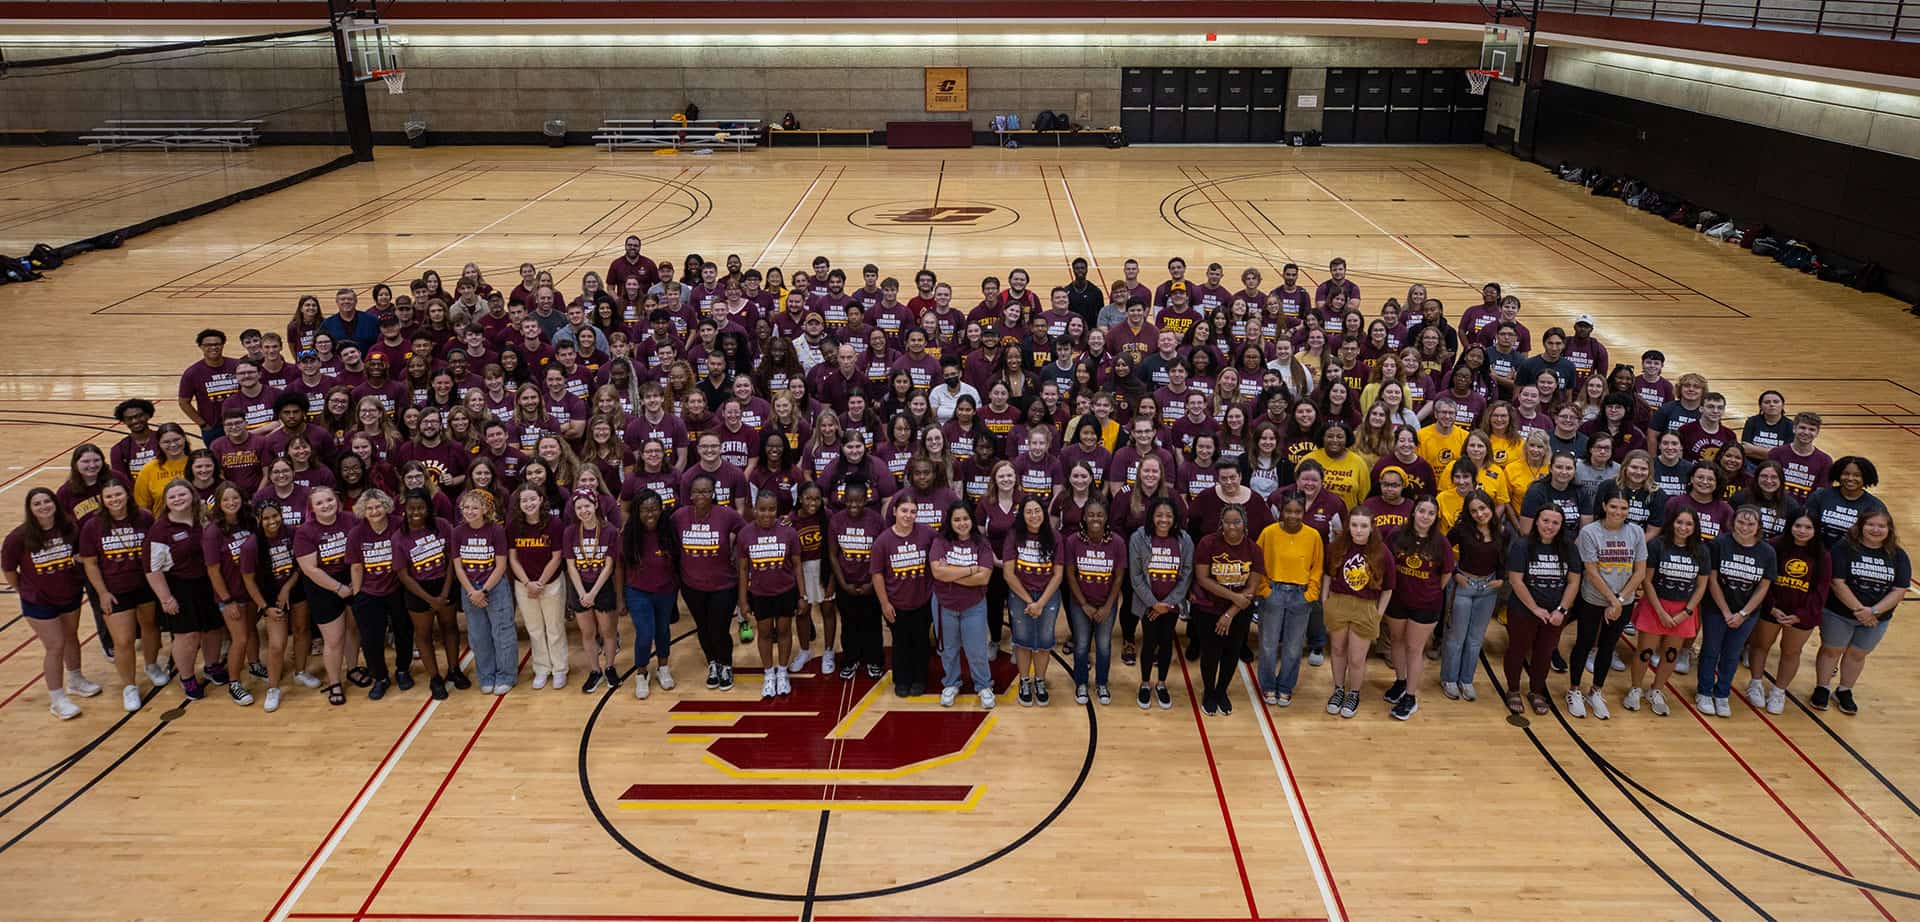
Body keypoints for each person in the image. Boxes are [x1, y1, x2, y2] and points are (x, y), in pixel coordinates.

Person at [3, 488, 96, 719]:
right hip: (39, 601)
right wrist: (24, 590)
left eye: (47, 501)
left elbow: (79, 555)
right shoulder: (19, 537)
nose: (43, 506)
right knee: (55, 646)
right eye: (37, 503)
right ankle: (57, 699)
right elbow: (9, 569)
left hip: (69, 594)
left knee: (72, 636)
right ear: (30, 509)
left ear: (55, 504)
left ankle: (75, 679)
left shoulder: (69, 529)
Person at [78, 480, 169, 709]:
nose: (114, 500)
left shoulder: (145, 517)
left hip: (145, 585)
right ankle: (129, 686)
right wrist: (102, 592)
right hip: (115, 590)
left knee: (150, 628)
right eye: (109, 497)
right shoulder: (93, 526)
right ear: (102, 500)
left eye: (118, 494)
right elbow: (89, 563)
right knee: (124, 640)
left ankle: (151, 665)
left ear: (127, 495)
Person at [1811, 509, 1909, 715]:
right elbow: (1837, 583)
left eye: (1881, 526)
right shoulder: (1844, 549)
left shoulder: (1898, 555)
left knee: (1857, 654)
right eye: (1871, 525)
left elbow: (1899, 589)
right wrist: (1859, 610)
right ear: (1860, 526)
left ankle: (1845, 690)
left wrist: (1873, 611)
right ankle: (1822, 687)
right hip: (1839, 613)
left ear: (1889, 529)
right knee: (1831, 650)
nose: (1876, 530)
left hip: (1877, 618)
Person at [1568, 493, 1648, 719]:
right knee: (1584, 643)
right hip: (1593, 599)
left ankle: (1596, 691)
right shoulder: (1589, 532)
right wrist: (1612, 601)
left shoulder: (1636, 532)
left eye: (1624, 508)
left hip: (1624, 602)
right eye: (1613, 506)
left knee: (1608, 646)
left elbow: (1640, 570)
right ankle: (1574, 690)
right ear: (1604, 505)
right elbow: (1591, 572)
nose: (1618, 512)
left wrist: (1620, 599)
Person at [1623, 507, 1710, 716]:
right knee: (1645, 651)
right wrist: (1660, 611)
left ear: (1695, 527)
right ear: (1672, 523)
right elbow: (1647, 580)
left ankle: (1656, 690)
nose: (1683, 527)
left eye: (1689, 524)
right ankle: (1635, 689)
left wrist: (1686, 612)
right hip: (1655, 606)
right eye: (1679, 522)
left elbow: (1701, 586)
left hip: (1682, 610)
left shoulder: (1701, 550)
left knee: (1671, 654)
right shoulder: (1657, 545)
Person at [1744, 510, 1826, 714]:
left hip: (1801, 615)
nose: (1802, 531)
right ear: (1790, 526)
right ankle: (1755, 683)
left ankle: (1779, 691)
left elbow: (1821, 589)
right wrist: (1771, 606)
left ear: (1816, 530)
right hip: (1772, 609)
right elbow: (1764, 580)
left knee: (1791, 652)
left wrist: (1802, 614)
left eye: (1808, 527)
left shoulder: (1822, 555)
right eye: (1798, 526)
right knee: (1760, 645)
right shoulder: (1774, 546)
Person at [1502, 505, 1581, 716]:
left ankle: (1536, 691)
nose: (1550, 526)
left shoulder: (1568, 547)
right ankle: (1513, 690)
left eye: (1555, 522)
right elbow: (1516, 581)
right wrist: (1535, 609)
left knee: (1545, 653)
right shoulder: (1522, 545)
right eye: (1545, 521)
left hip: (1555, 613)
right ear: (1537, 521)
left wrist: (1562, 610)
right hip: (1524, 611)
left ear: (1561, 525)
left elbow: (1574, 582)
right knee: (1517, 650)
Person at [1697, 506, 1776, 717]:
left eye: (1751, 524)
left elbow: (1763, 587)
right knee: (1710, 651)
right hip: (1716, 609)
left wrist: (1743, 614)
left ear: (1759, 526)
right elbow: (1712, 579)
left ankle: (1722, 694)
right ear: (1733, 522)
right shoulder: (1719, 544)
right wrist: (1725, 611)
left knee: (1731, 655)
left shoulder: (1767, 552)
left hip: (1747, 613)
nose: (1745, 527)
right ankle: (1704, 692)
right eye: (1741, 522)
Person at [673, 473, 748, 691]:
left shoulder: (726, 515)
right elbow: (669, 539)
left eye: (706, 491)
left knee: (719, 628)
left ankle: (726, 665)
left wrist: (736, 552)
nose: (701, 495)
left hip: (723, 585)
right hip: (691, 585)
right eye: (697, 491)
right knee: (703, 627)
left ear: (713, 493)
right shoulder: (679, 516)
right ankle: (712, 663)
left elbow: (746, 533)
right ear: (690, 494)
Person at [1321, 509, 1395, 719]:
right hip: (1338, 603)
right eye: (1354, 525)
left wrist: (1378, 614)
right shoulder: (1337, 547)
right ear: (1348, 526)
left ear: (1372, 528)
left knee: (1356, 657)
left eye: (1363, 526)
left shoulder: (1382, 552)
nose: (1358, 530)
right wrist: (1325, 600)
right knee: (1337, 650)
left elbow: (1388, 588)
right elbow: (1327, 574)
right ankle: (1338, 689)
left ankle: (1353, 693)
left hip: (1366, 606)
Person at [1192, 504, 1264, 716]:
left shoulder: (1253, 549)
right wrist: (1233, 597)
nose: (1232, 526)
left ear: (1244, 524)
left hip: (1239, 611)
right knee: (1211, 652)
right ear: (1221, 523)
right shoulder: (1207, 543)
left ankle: (1222, 691)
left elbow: (1253, 586)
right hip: (1209, 608)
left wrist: (1230, 613)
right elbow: (1203, 579)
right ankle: (1209, 692)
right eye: (1227, 522)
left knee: (1232, 653)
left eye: (1237, 522)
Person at [1384, 497, 1452, 720]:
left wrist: (1428, 591)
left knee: (1414, 648)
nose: (1425, 516)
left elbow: (1446, 574)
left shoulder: (1441, 543)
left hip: (1426, 604)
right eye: (1421, 511)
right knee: (1397, 641)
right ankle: (1400, 682)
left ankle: (1410, 697)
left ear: (1435, 517)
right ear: (1413, 512)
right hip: (1398, 600)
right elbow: (1386, 563)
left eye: (1430, 513)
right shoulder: (1396, 535)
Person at [1253, 495, 1322, 708]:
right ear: (1281, 511)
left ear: (1304, 512)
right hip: (1273, 592)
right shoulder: (1269, 533)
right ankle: (1267, 685)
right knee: (1268, 644)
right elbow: (1258, 561)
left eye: (1297, 512)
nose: (1293, 516)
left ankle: (1285, 686)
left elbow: (1317, 567)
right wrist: (1264, 589)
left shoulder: (1313, 535)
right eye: (1288, 511)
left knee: (1293, 647)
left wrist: (1310, 594)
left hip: (1300, 595)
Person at [345, 489, 415, 700]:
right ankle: (380, 677)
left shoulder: (398, 525)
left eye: (378, 506)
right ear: (362, 511)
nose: (374, 511)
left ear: (386, 506)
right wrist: (357, 596)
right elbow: (356, 567)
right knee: (371, 639)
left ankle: (403, 670)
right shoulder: (356, 533)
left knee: (403, 631)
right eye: (369, 508)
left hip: (398, 588)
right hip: (369, 592)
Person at [395, 490, 463, 700]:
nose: (416, 512)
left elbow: (452, 559)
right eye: (411, 508)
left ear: (429, 508)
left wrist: (444, 592)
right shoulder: (399, 537)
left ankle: (454, 670)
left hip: (444, 584)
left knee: (450, 627)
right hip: (418, 591)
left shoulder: (442, 525)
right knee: (423, 635)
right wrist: (429, 599)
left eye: (421, 508)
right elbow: (403, 575)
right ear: (404, 510)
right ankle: (434, 678)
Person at [294, 486, 359, 705]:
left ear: (337, 500)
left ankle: (353, 668)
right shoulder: (305, 532)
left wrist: (354, 582)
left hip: (350, 580)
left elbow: (360, 551)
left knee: (352, 629)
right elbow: (310, 569)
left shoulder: (351, 520)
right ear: (312, 508)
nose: (326, 505)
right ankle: (334, 683)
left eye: (329, 500)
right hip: (323, 587)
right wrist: (339, 588)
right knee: (333, 639)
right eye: (320, 503)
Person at [1439, 491, 1505, 702]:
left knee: (1475, 639)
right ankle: (1449, 678)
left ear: (1491, 508)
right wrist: (1455, 574)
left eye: (1483, 508)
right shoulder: (1461, 530)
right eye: (1474, 510)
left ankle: (1466, 679)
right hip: (1464, 585)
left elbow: (1504, 559)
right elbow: (1443, 551)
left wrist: (1502, 579)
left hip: (1488, 588)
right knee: (1456, 637)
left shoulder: (1501, 531)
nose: (1479, 513)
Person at [1128, 497, 1191, 711]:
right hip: (1147, 604)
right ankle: (1145, 683)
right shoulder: (1139, 538)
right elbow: (1136, 577)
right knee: (1148, 642)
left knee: (1166, 642)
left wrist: (1168, 604)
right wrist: (1154, 604)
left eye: (1168, 516)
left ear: (1175, 519)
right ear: (1151, 517)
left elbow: (1186, 575)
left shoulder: (1185, 540)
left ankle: (1161, 684)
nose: (1164, 520)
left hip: (1171, 606)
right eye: (1159, 515)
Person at [738, 491, 803, 698]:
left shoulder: (789, 533)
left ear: (777, 510)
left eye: (771, 509)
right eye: (762, 509)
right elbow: (742, 570)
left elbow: (797, 566)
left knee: (784, 631)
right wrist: (742, 600)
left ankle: (782, 672)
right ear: (755, 509)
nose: (767, 514)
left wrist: (803, 595)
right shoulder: (745, 534)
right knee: (764, 633)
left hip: (785, 591)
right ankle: (768, 674)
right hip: (759, 593)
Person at [452, 490, 517, 695]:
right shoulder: (457, 532)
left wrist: (484, 590)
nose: (470, 511)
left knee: (502, 633)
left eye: (475, 507)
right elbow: (458, 567)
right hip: (470, 588)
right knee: (478, 635)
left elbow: (501, 565)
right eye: (466, 507)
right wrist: (472, 591)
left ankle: (506, 675)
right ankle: (486, 675)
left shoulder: (496, 530)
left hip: (494, 586)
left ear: (485, 510)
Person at [872, 497, 937, 698]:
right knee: (900, 643)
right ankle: (901, 679)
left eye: (913, 511)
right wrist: (884, 603)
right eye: (904, 511)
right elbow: (877, 573)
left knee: (921, 641)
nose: (908, 515)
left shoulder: (927, 533)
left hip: (923, 601)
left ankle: (919, 678)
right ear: (894, 512)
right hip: (896, 603)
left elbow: (938, 557)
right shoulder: (883, 540)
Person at [1063, 499, 1126, 706]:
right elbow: (1071, 576)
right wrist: (1084, 605)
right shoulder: (1073, 541)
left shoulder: (1117, 542)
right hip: (1081, 604)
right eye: (1091, 514)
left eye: (1099, 514)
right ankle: (1081, 682)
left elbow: (1118, 578)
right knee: (1081, 646)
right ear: (1084, 517)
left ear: (1106, 517)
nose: (1095, 518)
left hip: (1106, 603)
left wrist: (1108, 606)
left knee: (1103, 646)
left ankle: (1101, 683)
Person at [1003, 497, 1064, 706]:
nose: (1034, 516)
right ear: (1022, 515)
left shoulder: (1054, 536)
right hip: (1021, 595)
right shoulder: (1014, 536)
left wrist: (1041, 603)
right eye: (1028, 512)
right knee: (1022, 640)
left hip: (1048, 595)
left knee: (1044, 641)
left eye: (1037, 511)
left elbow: (1058, 575)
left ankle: (1040, 680)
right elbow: (1009, 574)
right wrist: (1031, 601)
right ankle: (1024, 680)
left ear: (1044, 513)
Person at [508, 484, 568, 689]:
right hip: (524, 585)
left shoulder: (554, 523)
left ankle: (559, 669)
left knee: (554, 627)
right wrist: (527, 583)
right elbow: (513, 559)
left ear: (541, 499)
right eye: (524, 500)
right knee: (534, 629)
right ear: (519, 504)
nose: (529, 503)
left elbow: (556, 556)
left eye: (532, 499)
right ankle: (542, 668)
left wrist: (541, 582)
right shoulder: (514, 525)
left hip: (550, 583)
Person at [619, 489, 678, 698]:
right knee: (644, 634)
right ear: (637, 511)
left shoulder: (669, 530)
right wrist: (620, 599)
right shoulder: (629, 533)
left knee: (662, 630)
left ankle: (663, 667)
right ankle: (641, 673)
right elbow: (620, 568)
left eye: (654, 509)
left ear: (661, 510)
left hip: (666, 591)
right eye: (645, 510)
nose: (650, 514)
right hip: (638, 592)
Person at [828, 480, 889, 680]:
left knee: (872, 624)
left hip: (871, 583)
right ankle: (850, 659)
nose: (853, 506)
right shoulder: (836, 521)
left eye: (858, 502)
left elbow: (882, 556)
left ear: (866, 500)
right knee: (849, 624)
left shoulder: (877, 521)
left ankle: (874, 660)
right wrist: (843, 584)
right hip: (847, 583)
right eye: (849, 502)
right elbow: (833, 555)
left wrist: (873, 583)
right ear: (843, 500)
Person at [566, 492, 623, 694]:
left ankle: (609, 667)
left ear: (596, 505)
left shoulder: (610, 531)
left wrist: (593, 593)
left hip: (603, 587)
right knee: (588, 633)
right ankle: (594, 670)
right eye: (579, 508)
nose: (584, 511)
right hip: (580, 588)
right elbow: (571, 566)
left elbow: (609, 566)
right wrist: (583, 592)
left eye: (587, 506)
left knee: (607, 632)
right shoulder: (571, 532)